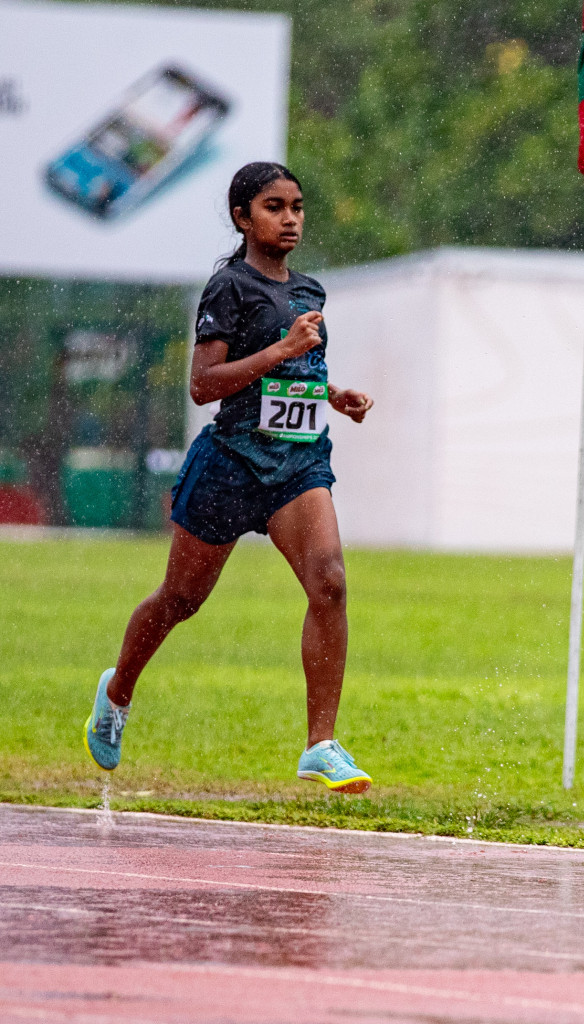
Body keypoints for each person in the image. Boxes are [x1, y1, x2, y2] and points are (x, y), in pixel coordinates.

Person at [84, 161, 376, 793]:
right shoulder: (229, 290)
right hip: (231, 464)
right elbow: (202, 385)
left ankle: (321, 745)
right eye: (275, 207)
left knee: (329, 582)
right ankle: (117, 691)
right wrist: (279, 351)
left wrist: (333, 393)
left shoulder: (311, 292)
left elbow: (297, 373)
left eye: (298, 206)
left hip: (297, 462)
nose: (291, 217)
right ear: (244, 217)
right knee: (181, 600)